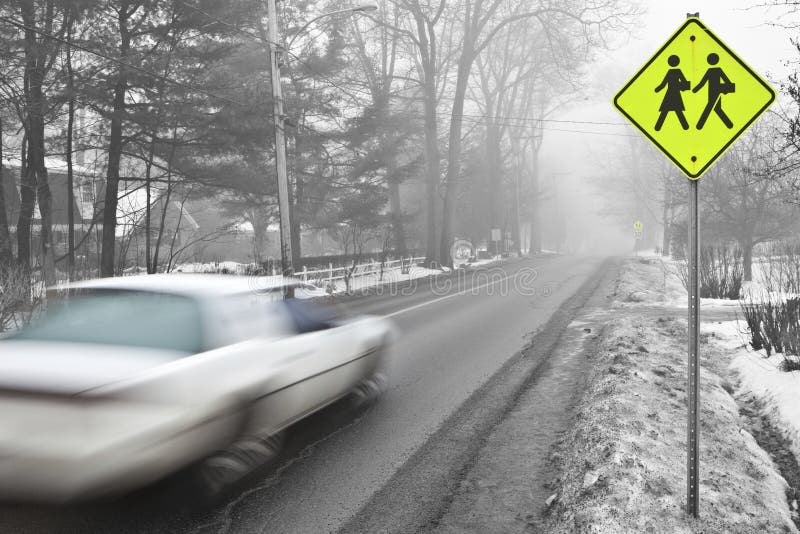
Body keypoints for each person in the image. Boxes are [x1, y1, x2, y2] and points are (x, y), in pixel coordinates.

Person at [692, 52, 734, 130]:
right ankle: (729, 124)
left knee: (709, 107)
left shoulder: (711, 71)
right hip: (715, 92)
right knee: (717, 109)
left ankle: (699, 125)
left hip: (714, 92)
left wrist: (695, 90)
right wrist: (695, 90)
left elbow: (702, 83)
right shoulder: (716, 70)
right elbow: (727, 81)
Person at [654, 55, 690, 131]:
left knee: (666, 110)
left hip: (670, 93)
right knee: (676, 110)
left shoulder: (671, 72)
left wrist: (657, 89)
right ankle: (685, 126)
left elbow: (663, 84)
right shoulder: (678, 71)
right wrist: (657, 89)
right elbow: (684, 82)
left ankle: (658, 127)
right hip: (675, 93)